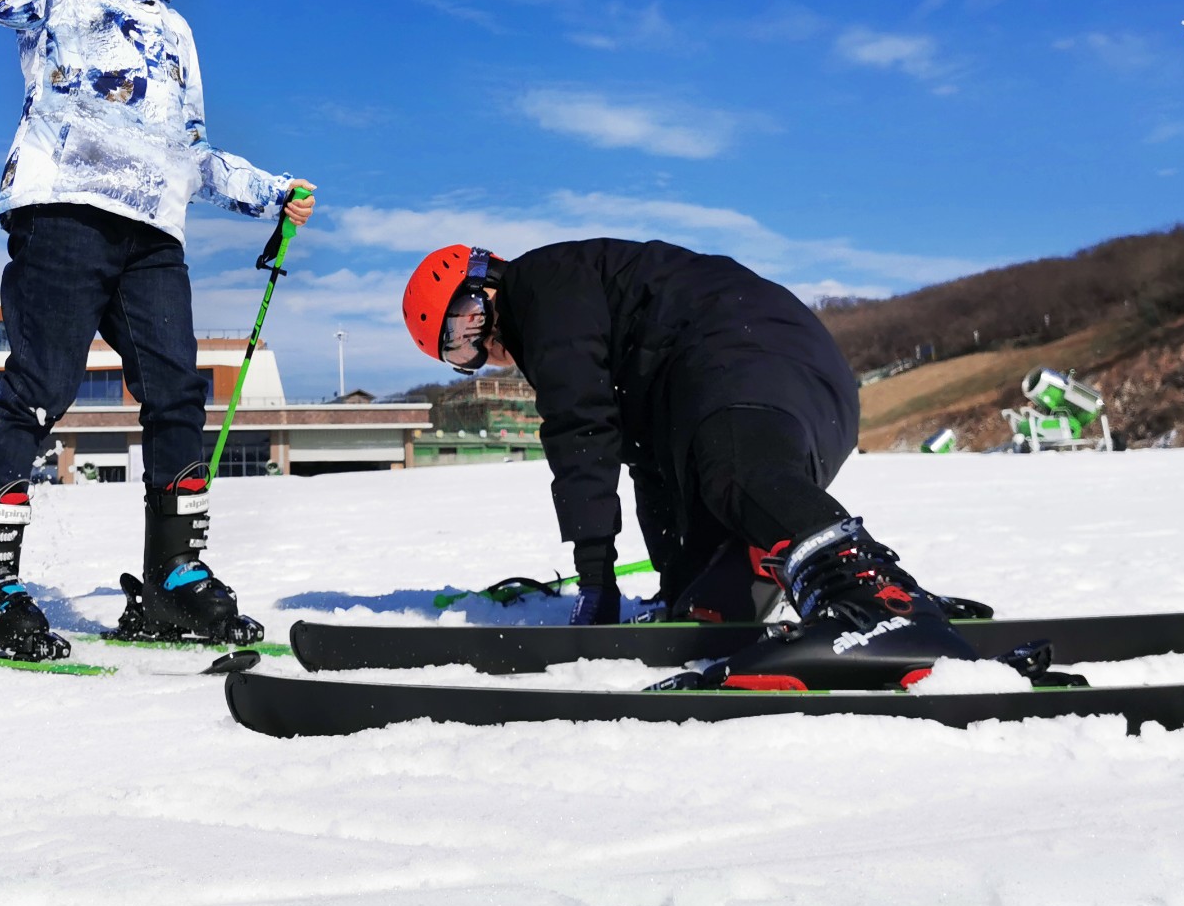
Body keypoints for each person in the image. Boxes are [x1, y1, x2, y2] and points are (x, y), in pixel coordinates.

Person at [0, 0, 315, 661]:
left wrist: (267, 192)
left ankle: (175, 578)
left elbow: (188, 152)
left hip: (153, 230)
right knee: (42, 389)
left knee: (177, 395)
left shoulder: (174, 29)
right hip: (63, 208)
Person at [401, 241, 989, 689]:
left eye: (465, 327)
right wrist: (675, 592)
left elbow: (581, 431)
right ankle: (792, 593)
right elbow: (649, 466)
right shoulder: (612, 338)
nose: (479, 352)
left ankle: (879, 601)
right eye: (456, 354)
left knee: (735, 472)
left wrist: (598, 580)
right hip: (794, 388)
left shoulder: (543, 286)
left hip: (749, 354)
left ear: (486, 287)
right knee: (713, 594)